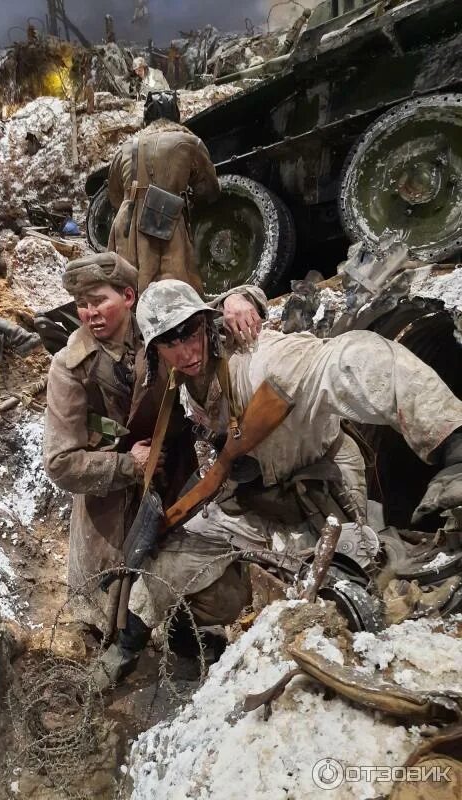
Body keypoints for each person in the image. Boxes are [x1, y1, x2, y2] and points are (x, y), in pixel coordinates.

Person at [92, 277, 462, 685]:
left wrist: (450, 439)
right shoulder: (181, 386)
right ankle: (150, 643)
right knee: (168, 564)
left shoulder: (265, 360)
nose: (186, 351)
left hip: (321, 487)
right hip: (251, 496)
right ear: (156, 348)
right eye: (170, 341)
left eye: (191, 333)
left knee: (352, 597)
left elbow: (353, 358)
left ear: (207, 324)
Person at [43, 253, 265, 634]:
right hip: (109, 508)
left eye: (99, 301)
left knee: (221, 592)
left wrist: (241, 299)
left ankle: (181, 634)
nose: (90, 312)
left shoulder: (161, 328)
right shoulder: (69, 366)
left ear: (129, 297)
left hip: (174, 487)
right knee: (112, 617)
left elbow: (203, 315)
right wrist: (129, 464)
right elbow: (60, 462)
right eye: (82, 304)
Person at [107, 91, 219, 294]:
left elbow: (114, 194)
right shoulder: (189, 142)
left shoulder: (125, 147)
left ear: (146, 118)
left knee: (127, 286)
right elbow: (209, 188)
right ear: (176, 114)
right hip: (168, 216)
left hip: (127, 219)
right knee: (174, 285)